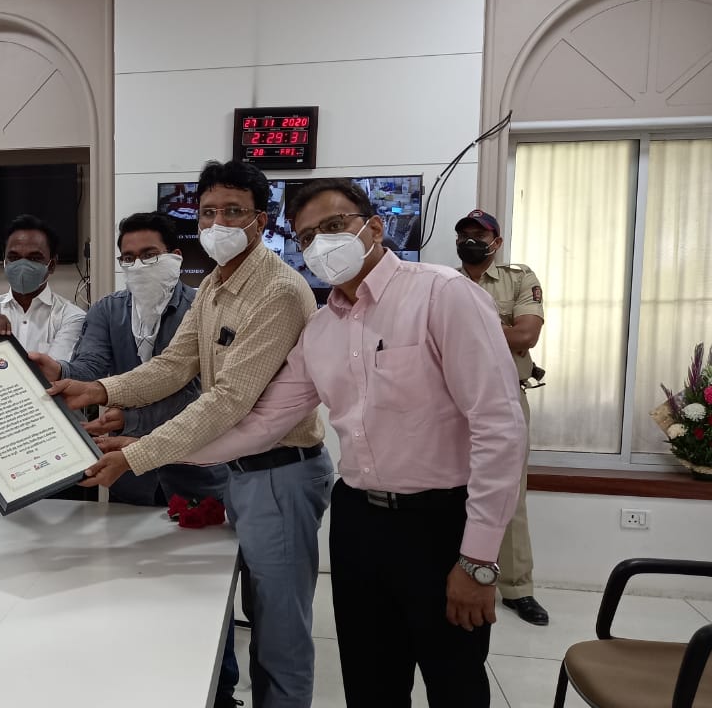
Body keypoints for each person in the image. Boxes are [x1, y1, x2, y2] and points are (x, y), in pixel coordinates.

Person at [118, 177, 524, 707]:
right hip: (357, 518)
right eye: (307, 237)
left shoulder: (443, 295)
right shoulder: (322, 328)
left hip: (440, 521)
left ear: (374, 227)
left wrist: (478, 560)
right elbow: (262, 423)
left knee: (454, 681)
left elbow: (499, 427)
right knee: (370, 681)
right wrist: (144, 450)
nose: (320, 245)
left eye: (333, 226)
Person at [50, 160, 333, 708]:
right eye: (208, 212)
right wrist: (98, 389)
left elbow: (228, 399)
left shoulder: (277, 291)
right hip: (240, 472)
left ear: (261, 220)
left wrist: (138, 454)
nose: (218, 223)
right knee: (244, 608)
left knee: (278, 629)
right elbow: (174, 366)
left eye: (233, 211)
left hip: (280, 474)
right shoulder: (214, 286)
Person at [30, 211, 242, 707]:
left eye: (149, 255)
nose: (138, 265)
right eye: (128, 258)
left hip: (197, 468)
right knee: (134, 582)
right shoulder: (108, 310)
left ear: (175, 256)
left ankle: (220, 688)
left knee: (203, 590)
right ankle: (142, 684)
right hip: (127, 475)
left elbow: (203, 391)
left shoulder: (205, 305)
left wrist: (133, 419)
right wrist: (58, 369)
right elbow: (93, 370)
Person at [456, 209, 549, 626]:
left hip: (505, 397)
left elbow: (527, 334)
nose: (470, 240)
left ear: (496, 242)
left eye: (479, 234)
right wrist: (499, 327)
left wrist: (470, 329)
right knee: (449, 491)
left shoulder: (518, 278)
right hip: (451, 401)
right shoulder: (445, 283)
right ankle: (457, 574)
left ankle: (516, 588)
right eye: (464, 234)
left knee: (509, 492)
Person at [0, 214, 85, 361]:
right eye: (14, 258)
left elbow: (57, 368)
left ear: (51, 265)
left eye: (34, 258)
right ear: (5, 262)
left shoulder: (71, 317)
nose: (22, 265)